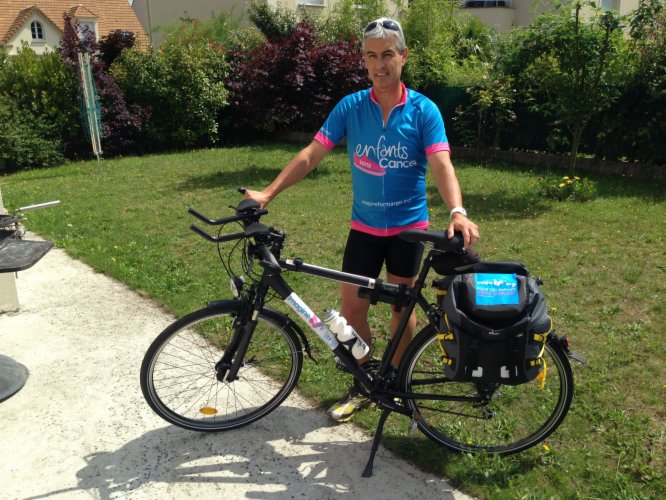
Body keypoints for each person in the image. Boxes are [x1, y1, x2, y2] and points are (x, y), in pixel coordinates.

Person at [243, 17, 480, 422]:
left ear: (403, 56)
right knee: (352, 312)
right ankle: (366, 381)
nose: (379, 65)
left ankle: (397, 380)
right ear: (365, 61)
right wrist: (268, 192)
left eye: (387, 54)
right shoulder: (351, 107)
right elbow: (311, 154)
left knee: (401, 312)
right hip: (364, 229)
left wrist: (457, 211)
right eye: (371, 56)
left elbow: (442, 165)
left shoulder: (423, 110)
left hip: (408, 231)